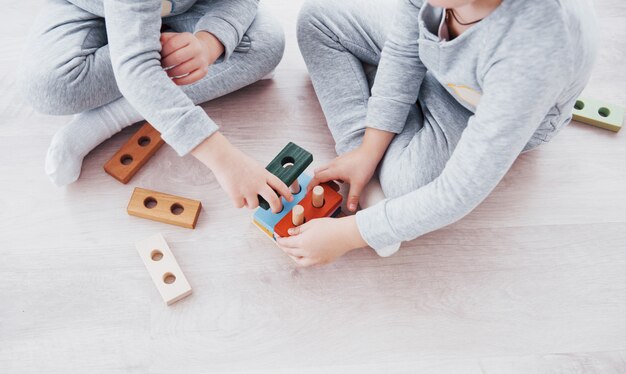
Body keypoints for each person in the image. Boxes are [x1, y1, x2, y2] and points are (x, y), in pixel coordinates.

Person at [276, 0, 598, 266]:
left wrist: (352, 234)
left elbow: (459, 191)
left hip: (475, 110)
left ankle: (385, 150)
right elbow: (403, 52)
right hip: (438, 68)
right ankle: (365, 158)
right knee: (318, 18)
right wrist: (368, 149)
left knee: (405, 186)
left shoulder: (534, 48)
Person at [19, 0, 293, 213]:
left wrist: (209, 43)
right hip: (95, 12)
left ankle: (114, 113)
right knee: (48, 86)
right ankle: (130, 99)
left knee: (266, 42)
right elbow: (135, 68)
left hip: (189, 9)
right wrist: (225, 160)